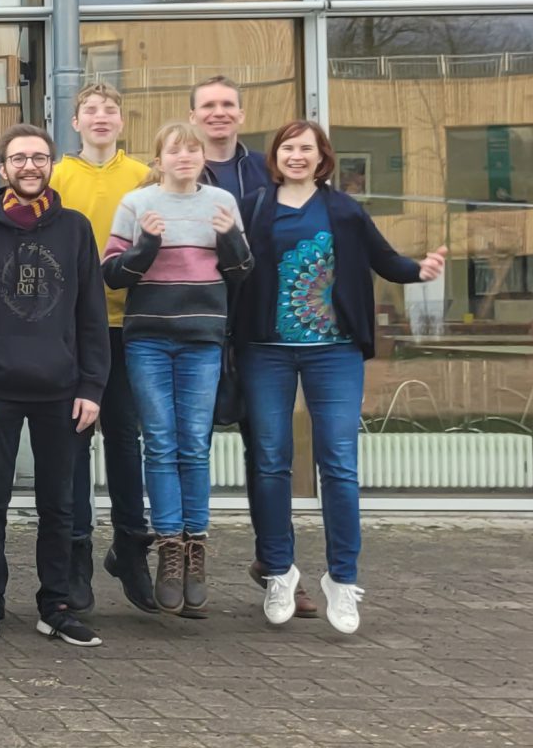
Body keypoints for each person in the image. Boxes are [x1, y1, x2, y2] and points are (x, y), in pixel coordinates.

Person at [235, 121, 444, 634]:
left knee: (340, 466)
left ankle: (343, 579)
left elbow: (384, 258)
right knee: (270, 463)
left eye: (306, 148)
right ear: (275, 156)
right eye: (288, 148)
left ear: (322, 156)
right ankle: (279, 572)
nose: (297, 155)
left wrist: (419, 270)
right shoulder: (254, 207)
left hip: (334, 352)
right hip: (265, 351)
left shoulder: (345, 209)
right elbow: (229, 267)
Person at [0, 124, 109, 648]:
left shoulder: (76, 229)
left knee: (59, 505)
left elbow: (91, 315)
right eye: (18, 158)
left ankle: (55, 605)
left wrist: (93, 386)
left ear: (51, 165)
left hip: (63, 389)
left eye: (39, 157)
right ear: (3, 169)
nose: (29, 166)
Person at [103, 122, 253, 619]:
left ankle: (195, 548)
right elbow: (112, 273)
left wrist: (229, 238)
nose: (184, 156)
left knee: (194, 444)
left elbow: (242, 272)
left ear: (202, 158)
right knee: (160, 442)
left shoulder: (222, 202)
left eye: (192, 149)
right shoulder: (136, 203)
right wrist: (146, 245)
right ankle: (169, 547)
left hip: (202, 340)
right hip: (147, 339)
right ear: (159, 158)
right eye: (175, 149)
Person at [52, 83, 159, 613]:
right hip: (70, 330)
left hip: (128, 324)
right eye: (90, 110)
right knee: (74, 442)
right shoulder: (57, 176)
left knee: (124, 438)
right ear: (75, 123)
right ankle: (77, 555)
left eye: (110, 110)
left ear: (121, 121)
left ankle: (131, 547)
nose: (101, 116)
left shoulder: (142, 177)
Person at [192, 76, 274, 204]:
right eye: (208, 105)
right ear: (192, 117)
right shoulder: (174, 171)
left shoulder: (269, 168)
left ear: (241, 115)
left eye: (228, 105)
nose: (219, 113)